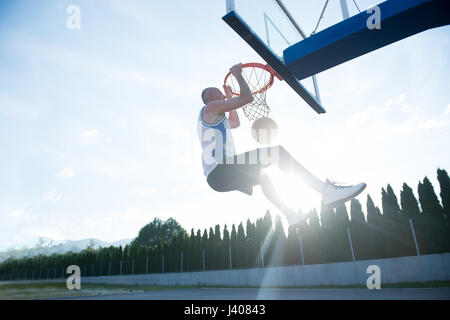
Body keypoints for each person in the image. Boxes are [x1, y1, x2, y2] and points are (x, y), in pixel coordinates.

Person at [197, 63, 366, 227]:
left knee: (263, 176)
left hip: (216, 178)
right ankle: (326, 191)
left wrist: (229, 96)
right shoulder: (211, 107)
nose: (224, 96)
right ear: (210, 97)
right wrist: (238, 75)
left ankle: (290, 215)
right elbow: (247, 98)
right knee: (277, 153)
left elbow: (234, 122)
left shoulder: (209, 118)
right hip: (222, 168)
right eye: (220, 94)